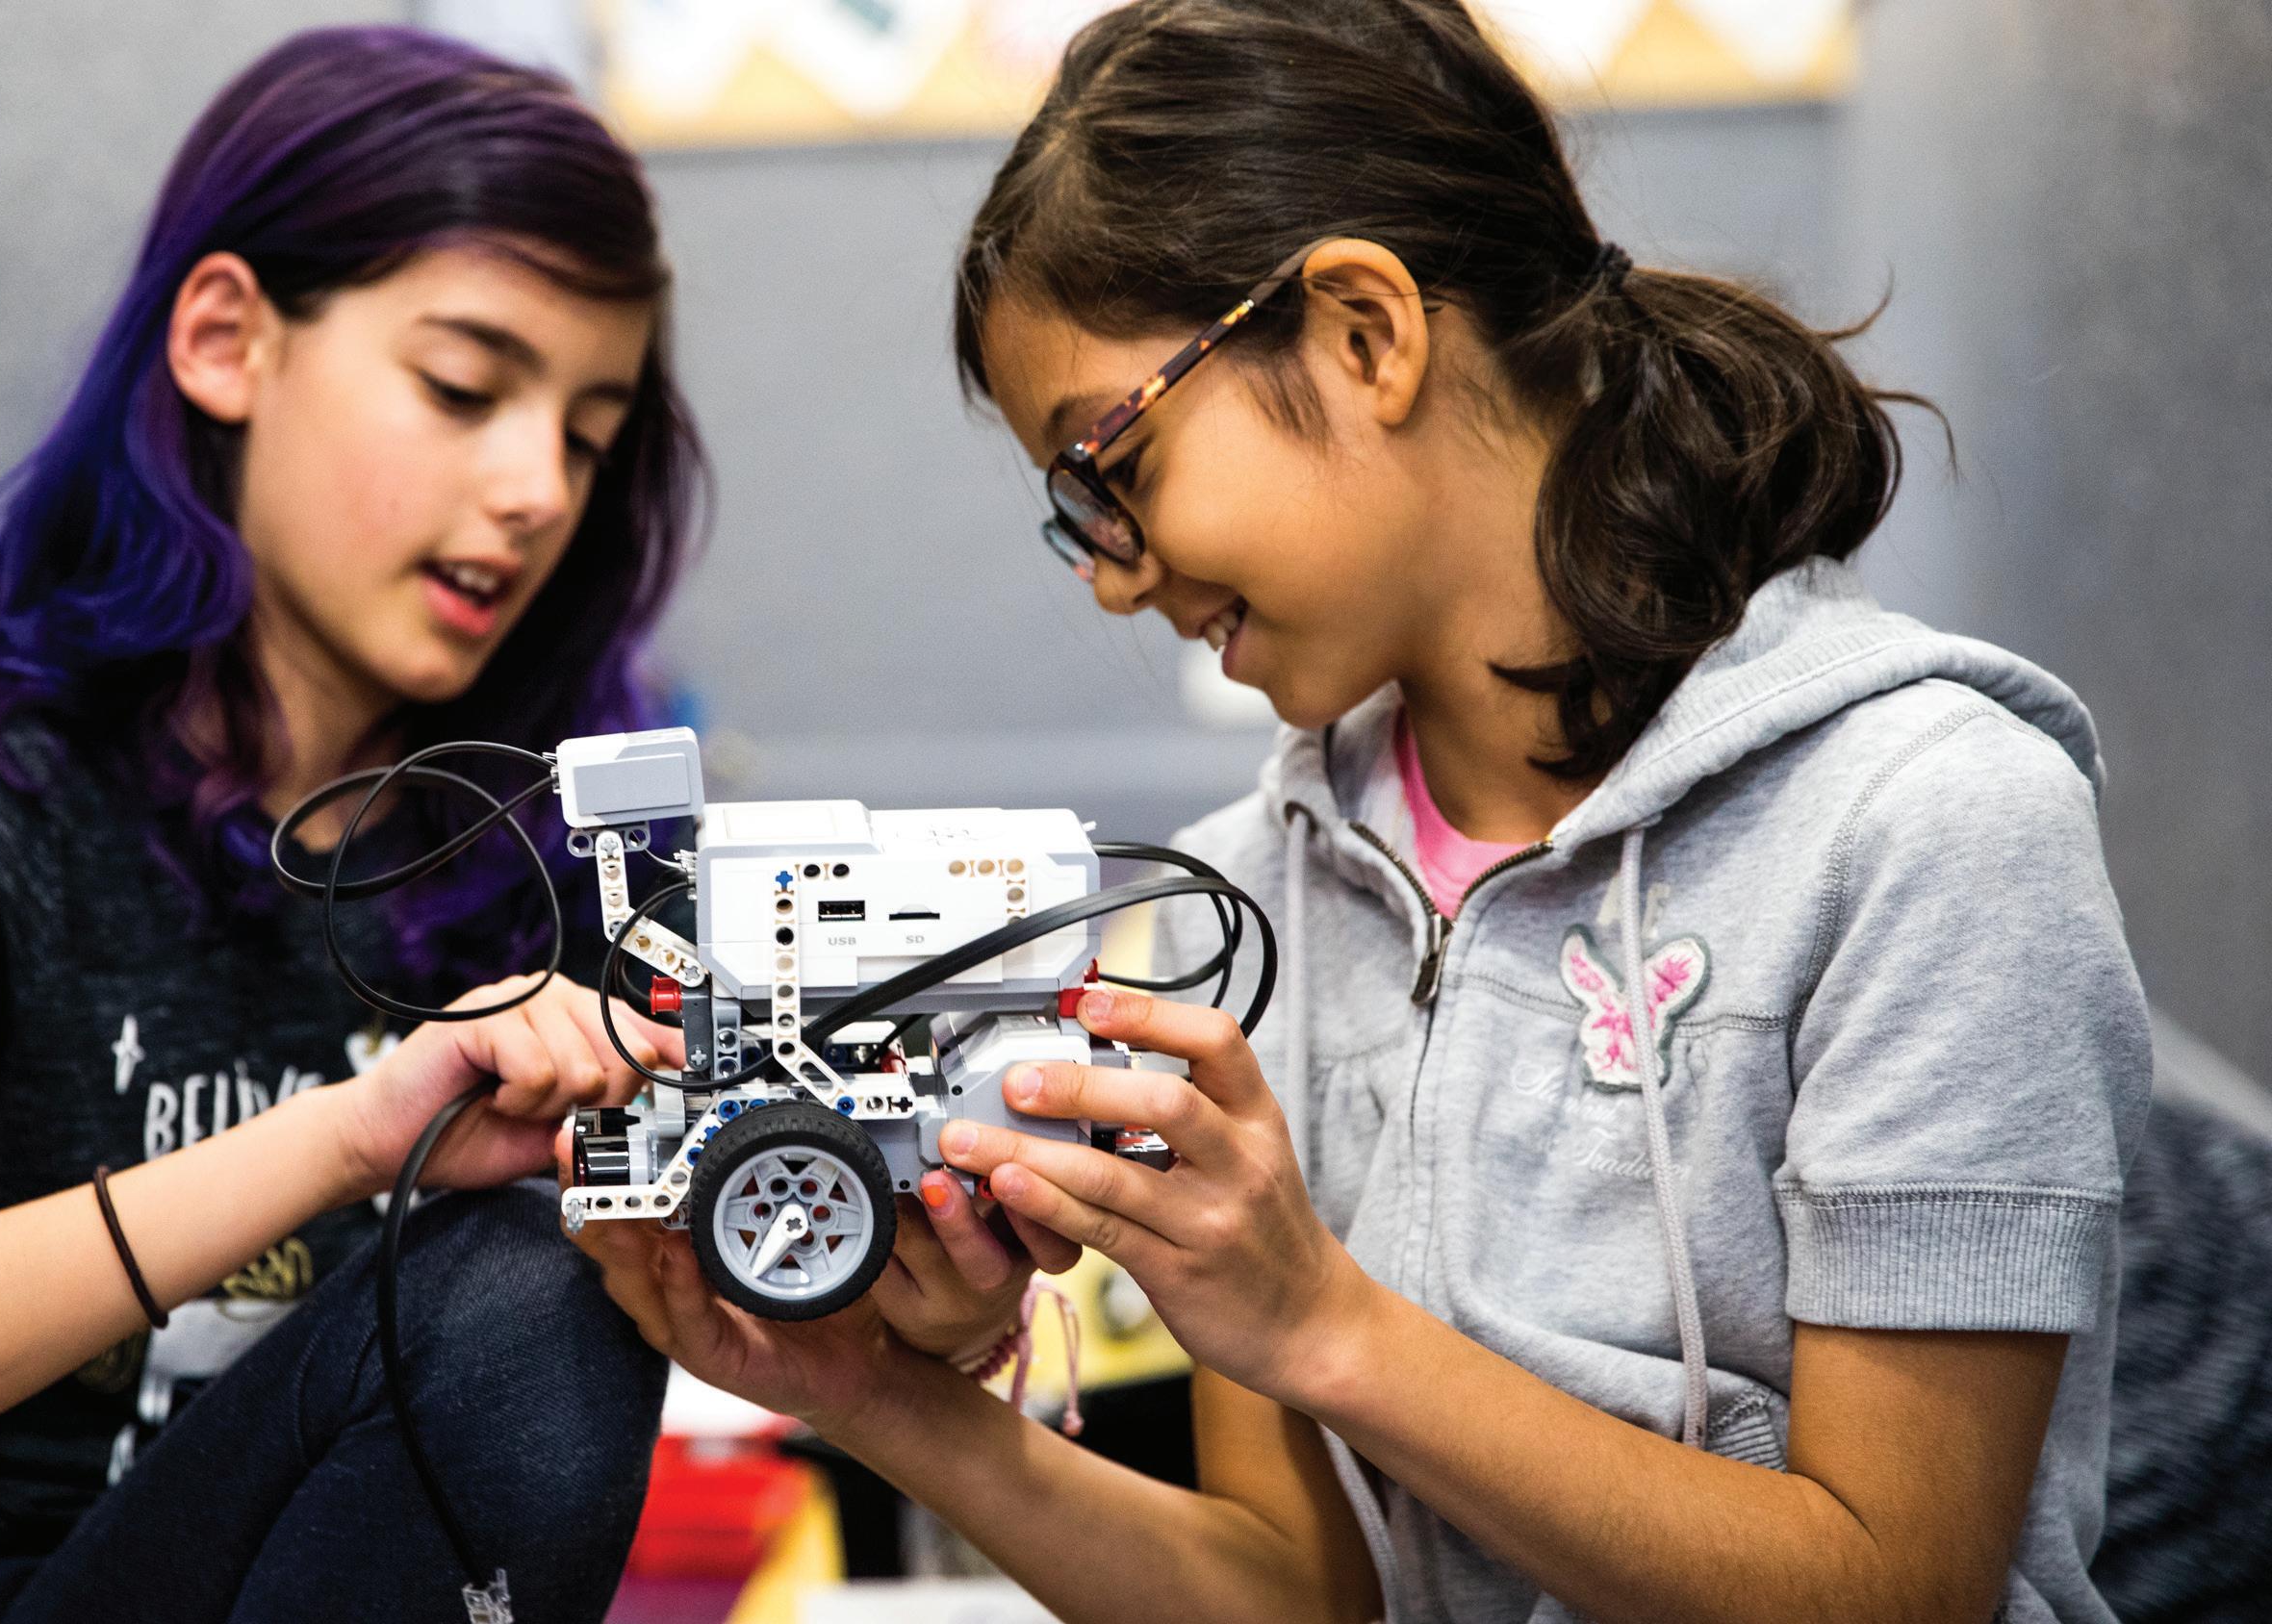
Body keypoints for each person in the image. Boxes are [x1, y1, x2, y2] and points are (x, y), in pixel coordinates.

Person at [574, 3, 2149, 1619]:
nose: (1115, 578)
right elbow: (1299, 1597)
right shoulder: (1251, 900)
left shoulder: (1927, 828)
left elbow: (1897, 1587)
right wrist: (870, 1395)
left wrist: (1321, 1326)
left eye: (1114, 467)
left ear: (1364, 333)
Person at [0, 27, 1031, 1624]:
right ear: (226, 341)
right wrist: (349, 1139)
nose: (539, 489)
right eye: (463, 388)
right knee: (510, 1278)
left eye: (588, 436)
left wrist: (929, 1322)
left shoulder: (566, 841)